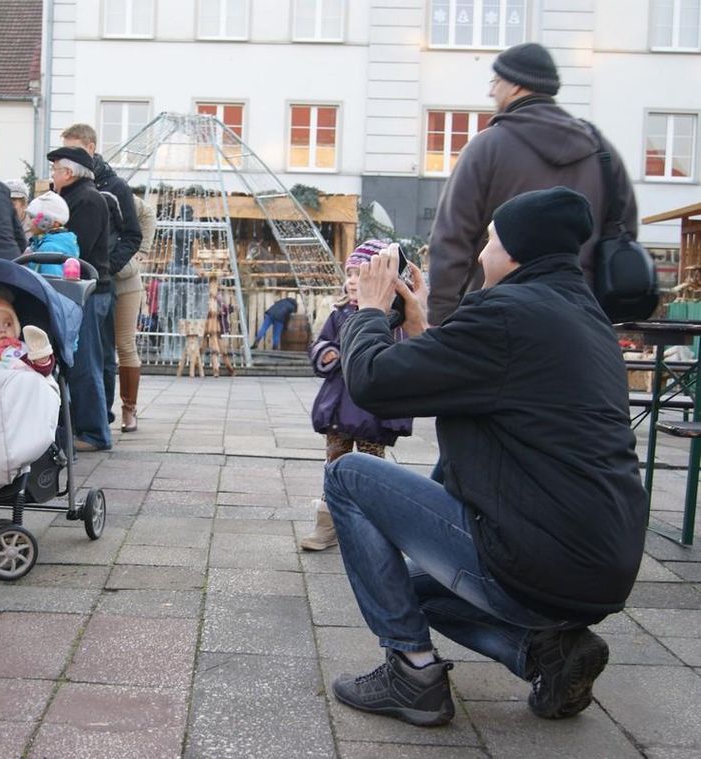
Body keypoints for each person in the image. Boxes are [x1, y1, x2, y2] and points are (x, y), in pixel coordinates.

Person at [322, 187, 647, 727]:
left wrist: (370, 310)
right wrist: (420, 324)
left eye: (491, 240)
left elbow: (372, 383)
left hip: (539, 562)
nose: (479, 254)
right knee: (409, 588)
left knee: (348, 476)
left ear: (516, 251)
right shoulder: (579, 315)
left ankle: (412, 672)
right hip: (597, 566)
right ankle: (546, 654)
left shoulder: (505, 313)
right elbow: (464, 385)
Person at [427, 42, 637, 325]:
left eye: (496, 81)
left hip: (497, 320)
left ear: (515, 86)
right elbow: (624, 230)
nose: (491, 91)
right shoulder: (600, 150)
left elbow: (450, 242)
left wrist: (441, 323)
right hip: (581, 320)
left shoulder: (486, 148)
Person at [301, 240, 413, 552]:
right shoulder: (339, 315)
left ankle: (368, 527)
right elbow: (321, 343)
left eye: (359, 273)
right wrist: (327, 353)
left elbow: (400, 359)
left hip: (372, 411)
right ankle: (327, 526)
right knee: (334, 464)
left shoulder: (394, 319)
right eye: (349, 274)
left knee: (370, 468)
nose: (351, 280)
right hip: (339, 409)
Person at [60, 124, 143, 429]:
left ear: (91, 148)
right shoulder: (67, 186)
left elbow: (133, 234)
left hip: (115, 277)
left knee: (117, 346)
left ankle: (123, 410)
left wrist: (108, 264)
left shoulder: (113, 185)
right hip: (82, 278)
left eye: (76, 150)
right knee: (90, 350)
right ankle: (95, 415)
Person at [48, 145, 111, 451]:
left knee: (85, 362)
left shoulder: (84, 200)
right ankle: (86, 429)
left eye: (55, 170)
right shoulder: (80, 197)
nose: (53, 175)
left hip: (85, 291)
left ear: (69, 172)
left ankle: (94, 433)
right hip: (84, 290)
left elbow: (75, 251)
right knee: (82, 361)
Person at [113, 193, 156, 432]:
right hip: (95, 276)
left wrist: (142, 252)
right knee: (98, 348)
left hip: (125, 278)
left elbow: (148, 213)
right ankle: (99, 409)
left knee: (125, 344)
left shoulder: (115, 188)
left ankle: (129, 409)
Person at [24, 191, 79, 277]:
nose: (29, 223)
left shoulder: (50, 249)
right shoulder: (39, 244)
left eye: (33, 218)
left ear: (54, 223)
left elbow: (53, 283)